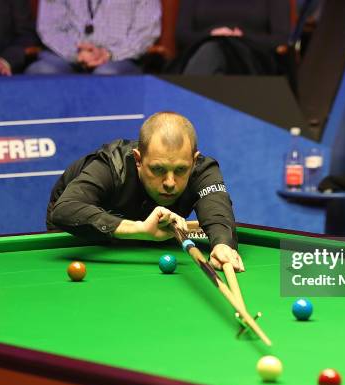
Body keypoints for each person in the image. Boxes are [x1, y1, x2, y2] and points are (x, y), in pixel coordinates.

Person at [47, 112, 245, 271]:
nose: (170, 182)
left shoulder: (202, 170)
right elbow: (65, 209)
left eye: (180, 170)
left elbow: (217, 211)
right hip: (86, 229)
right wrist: (140, 230)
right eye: (158, 169)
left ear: (194, 161)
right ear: (138, 159)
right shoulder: (113, 165)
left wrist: (222, 245)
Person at [26, 0, 160, 75]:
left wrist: (108, 54)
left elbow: (145, 33)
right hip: (66, 54)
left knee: (106, 75)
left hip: (120, 57)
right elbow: (50, 27)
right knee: (42, 71)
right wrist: (78, 53)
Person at [174, 0, 290, 75]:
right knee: (212, 50)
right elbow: (182, 34)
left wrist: (241, 37)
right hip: (203, 49)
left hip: (251, 56)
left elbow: (280, 38)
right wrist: (211, 35)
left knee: (214, 53)